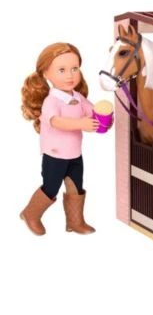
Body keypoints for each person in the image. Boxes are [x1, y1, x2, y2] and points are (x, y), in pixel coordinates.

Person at [20, 42, 100, 235]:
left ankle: (75, 221)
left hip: (74, 154)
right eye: (62, 70)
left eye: (74, 68)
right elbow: (56, 122)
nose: (70, 75)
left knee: (76, 187)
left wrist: (104, 117)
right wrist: (81, 124)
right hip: (55, 155)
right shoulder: (51, 101)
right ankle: (31, 214)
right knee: (51, 187)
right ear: (46, 73)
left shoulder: (78, 97)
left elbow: (93, 111)